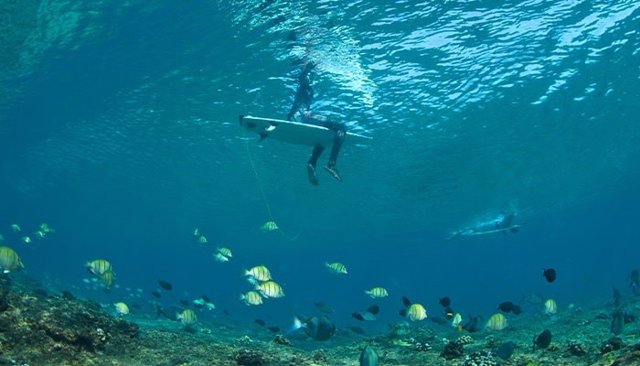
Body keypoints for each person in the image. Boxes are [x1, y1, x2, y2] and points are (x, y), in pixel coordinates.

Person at [287, 61, 346, 185]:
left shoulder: (303, 90)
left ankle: (311, 164)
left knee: (323, 137)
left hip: (301, 116)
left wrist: (290, 119)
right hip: (306, 116)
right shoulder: (304, 86)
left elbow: (292, 111)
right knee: (341, 127)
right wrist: (307, 69)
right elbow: (301, 78)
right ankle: (332, 164)